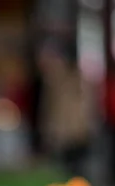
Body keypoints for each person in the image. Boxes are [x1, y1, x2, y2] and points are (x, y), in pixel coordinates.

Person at [38, 49, 90, 178]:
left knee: (75, 165)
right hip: (66, 131)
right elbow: (50, 108)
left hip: (75, 131)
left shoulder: (78, 81)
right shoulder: (55, 83)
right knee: (65, 166)